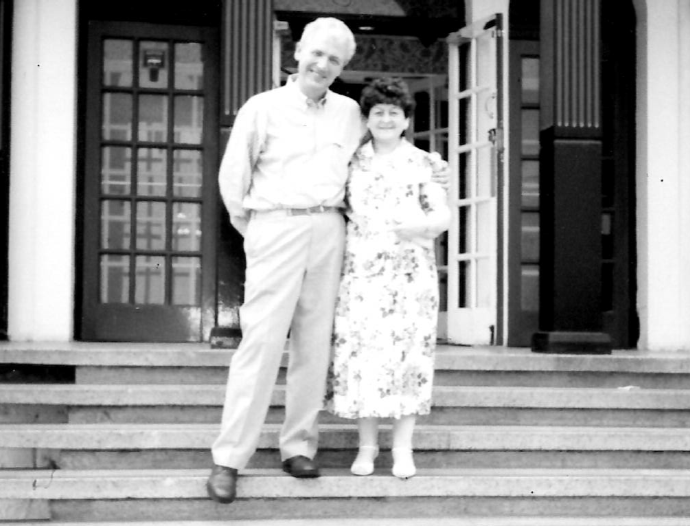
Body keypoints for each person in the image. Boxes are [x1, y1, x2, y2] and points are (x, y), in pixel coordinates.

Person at [207, 17, 362, 504]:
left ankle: (297, 445)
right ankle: (230, 458)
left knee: (314, 345)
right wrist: (258, 230)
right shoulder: (263, 107)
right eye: (317, 53)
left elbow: (364, 169)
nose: (323, 65)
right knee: (261, 344)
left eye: (334, 60)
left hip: (328, 229)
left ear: (342, 68)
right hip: (275, 225)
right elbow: (234, 179)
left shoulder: (350, 113)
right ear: (298, 52)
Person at [324, 77, 451, 480]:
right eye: (377, 112)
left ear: (406, 120)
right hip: (361, 274)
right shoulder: (351, 161)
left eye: (393, 112)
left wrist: (423, 227)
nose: (385, 118)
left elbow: (442, 214)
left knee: (406, 360)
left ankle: (402, 448)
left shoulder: (425, 163)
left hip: (410, 276)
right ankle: (366, 448)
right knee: (365, 360)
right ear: (366, 119)